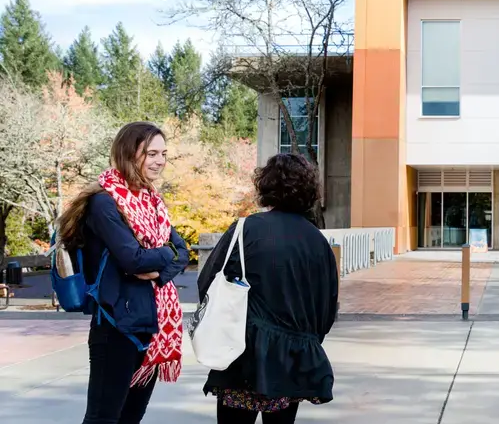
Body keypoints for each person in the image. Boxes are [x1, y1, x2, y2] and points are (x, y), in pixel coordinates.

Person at [57, 122, 189, 424]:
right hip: (116, 326)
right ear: (129, 154)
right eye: (151, 153)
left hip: (152, 325)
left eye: (163, 154)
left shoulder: (153, 203)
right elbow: (133, 260)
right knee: (104, 417)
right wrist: (164, 254)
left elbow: (183, 253)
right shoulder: (104, 202)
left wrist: (158, 270)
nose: (159, 161)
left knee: (131, 417)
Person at [199, 153, 338, 424]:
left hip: (241, 353)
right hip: (291, 357)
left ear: (266, 186)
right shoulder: (318, 242)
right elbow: (327, 306)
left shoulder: (246, 229)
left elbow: (207, 281)